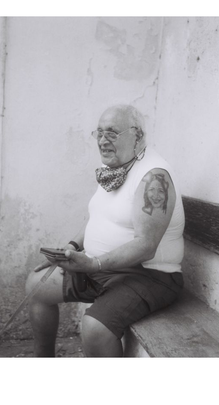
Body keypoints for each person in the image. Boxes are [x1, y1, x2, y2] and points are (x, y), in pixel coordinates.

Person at [25, 104, 185, 357]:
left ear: (138, 136)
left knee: (95, 328)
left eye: (111, 133)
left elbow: (146, 246)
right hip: (103, 269)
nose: (102, 140)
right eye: (99, 133)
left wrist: (93, 264)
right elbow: (99, 217)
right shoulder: (118, 167)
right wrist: (71, 248)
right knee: (37, 286)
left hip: (148, 276)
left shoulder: (153, 177)